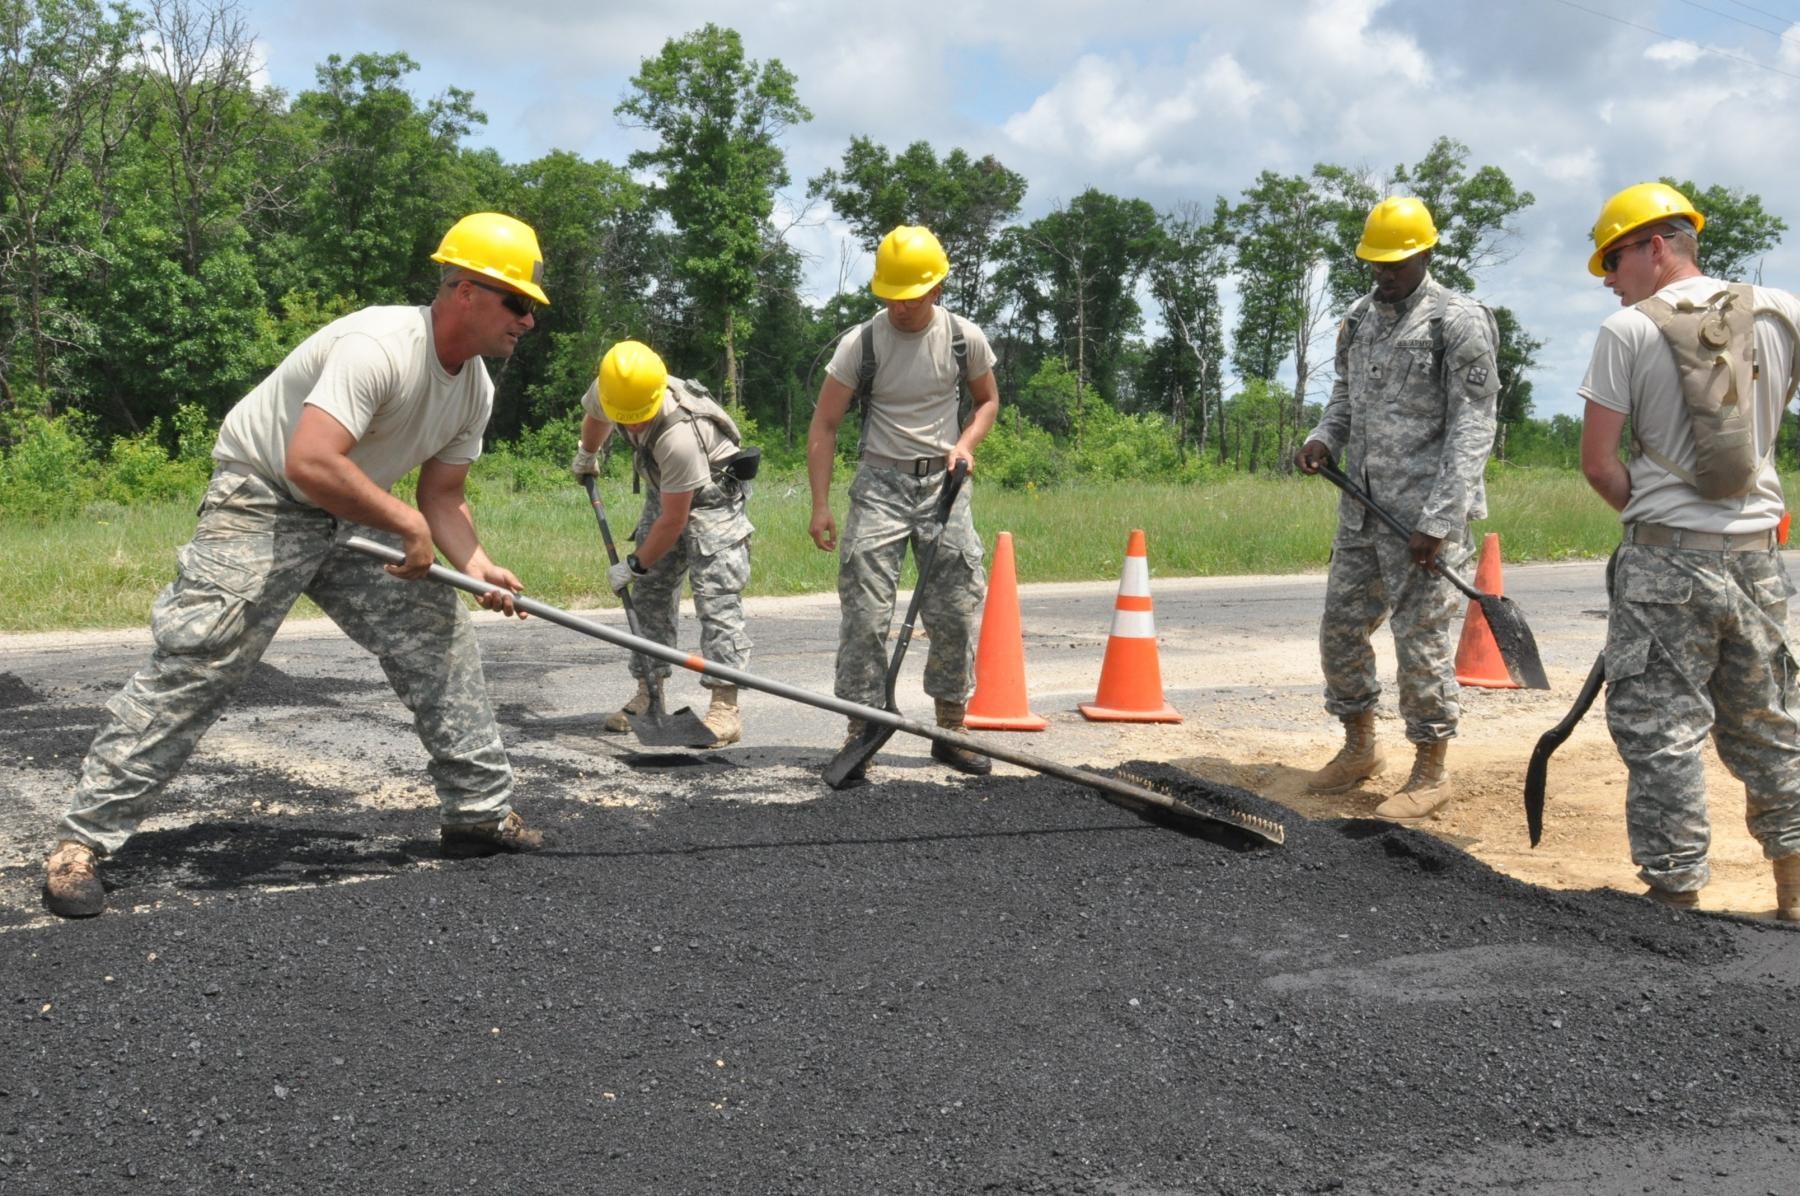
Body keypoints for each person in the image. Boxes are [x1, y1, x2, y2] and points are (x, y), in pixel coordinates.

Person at [41, 212, 551, 919]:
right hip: (262, 497)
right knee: (201, 660)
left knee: (440, 637)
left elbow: (443, 496)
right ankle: (80, 844)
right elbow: (308, 460)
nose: (526, 322)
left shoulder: (475, 390)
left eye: (531, 309)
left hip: (351, 514)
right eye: (517, 303)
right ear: (464, 289)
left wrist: (481, 563)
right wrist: (401, 519)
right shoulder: (378, 345)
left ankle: (478, 815)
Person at [1577, 181, 1800, 918]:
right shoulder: (1781, 312)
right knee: (1770, 723)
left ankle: (1677, 905)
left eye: (1613, 258)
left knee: (1663, 732)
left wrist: (1653, 521)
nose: (1609, 278)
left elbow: (1599, 463)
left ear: (1657, 246)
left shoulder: (1629, 331)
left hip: (1666, 562)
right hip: (1760, 558)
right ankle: (1795, 895)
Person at [1295, 196, 1500, 820]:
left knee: (1422, 645)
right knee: (1339, 631)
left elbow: (1474, 427)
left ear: (1425, 254)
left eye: (1396, 264)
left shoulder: (1457, 321)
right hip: (1362, 511)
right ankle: (1360, 746)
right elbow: (1344, 397)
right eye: (1375, 264)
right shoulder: (1358, 319)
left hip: (1424, 523)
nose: (1383, 274)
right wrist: (1324, 436)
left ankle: (1430, 768)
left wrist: (1439, 519)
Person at [806, 224, 999, 779]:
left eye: (910, 297)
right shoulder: (860, 344)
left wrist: (964, 444)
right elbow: (824, 424)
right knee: (866, 615)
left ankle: (950, 727)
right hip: (879, 486)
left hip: (944, 484)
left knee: (956, 607)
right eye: (889, 296)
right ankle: (861, 726)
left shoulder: (964, 338)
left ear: (935, 289)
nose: (899, 307)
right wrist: (820, 506)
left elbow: (987, 402)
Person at [569, 340, 754, 747]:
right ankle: (649, 694)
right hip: (666, 489)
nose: (632, 428)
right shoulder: (616, 390)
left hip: (713, 500)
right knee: (650, 593)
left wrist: (633, 564)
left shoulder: (679, 434)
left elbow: (674, 522)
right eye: (626, 420)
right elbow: (596, 415)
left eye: (640, 419)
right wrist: (587, 453)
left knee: (717, 599)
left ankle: (725, 707)